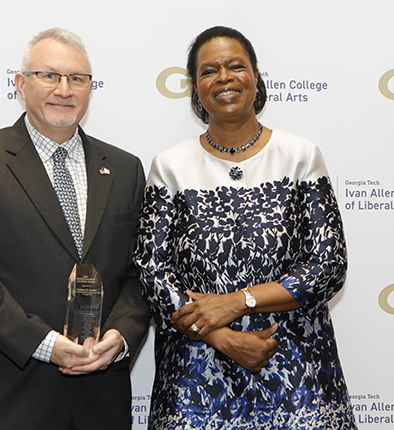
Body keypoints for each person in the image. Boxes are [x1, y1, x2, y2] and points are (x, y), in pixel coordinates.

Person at [134, 25, 352, 429]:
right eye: (208, 70)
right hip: (195, 373)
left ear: (256, 76)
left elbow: (328, 265)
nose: (224, 78)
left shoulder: (300, 156)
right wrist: (220, 336)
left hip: (295, 369)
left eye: (236, 66)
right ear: (195, 88)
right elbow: (151, 273)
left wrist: (237, 302)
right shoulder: (169, 166)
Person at [0, 28, 150, 429]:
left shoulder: (125, 168)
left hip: (100, 398)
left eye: (77, 79)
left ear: (89, 88)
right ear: (20, 83)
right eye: (49, 75)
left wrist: (120, 337)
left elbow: (140, 274)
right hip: (8, 394)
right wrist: (43, 344)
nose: (64, 90)